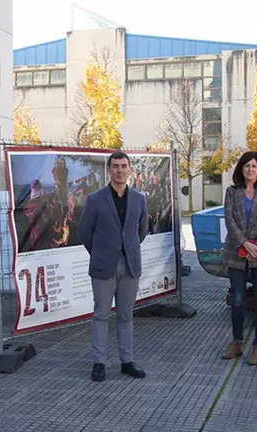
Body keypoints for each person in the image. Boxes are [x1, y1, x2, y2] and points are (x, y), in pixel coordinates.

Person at [78, 151, 149, 382]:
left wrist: (128, 248)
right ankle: (99, 362)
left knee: (126, 315)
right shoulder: (95, 199)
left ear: (129, 169)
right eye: (115, 166)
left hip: (130, 265)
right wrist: (101, 252)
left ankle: (127, 360)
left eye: (123, 166)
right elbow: (84, 232)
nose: (120, 170)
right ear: (109, 170)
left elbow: (142, 231)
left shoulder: (139, 199)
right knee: (101, 315)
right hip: (104, 266)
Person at [220, 151, 257, 366]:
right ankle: (236, 342)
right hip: (237, 251)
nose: (250, 169)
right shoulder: (231, 192)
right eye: (246, 166)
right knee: (238, 300)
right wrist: (244, 243)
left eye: (254, 166)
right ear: (241, 169)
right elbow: (229, 220)